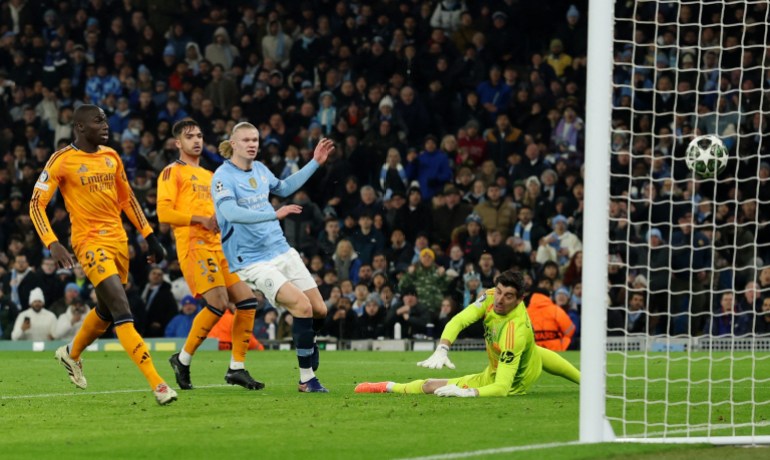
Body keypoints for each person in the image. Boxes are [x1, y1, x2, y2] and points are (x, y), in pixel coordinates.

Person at [29, 104, 177, 405]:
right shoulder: (62, 160)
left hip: (119, 243)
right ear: (80, 127)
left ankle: (71, 354)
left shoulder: (111, 157)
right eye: (98, 121)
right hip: (89, 243)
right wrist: (52, 242)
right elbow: (35, 204)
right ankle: (159, 384)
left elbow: (128, 199)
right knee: (123, 311)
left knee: (108, 311)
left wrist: (149, 235)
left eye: (106, 120)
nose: (106, 126)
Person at [211, 122, 335, 392]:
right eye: (246, 140)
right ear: (233, 144)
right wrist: (273, 213)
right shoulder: (223, 177)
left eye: (255, 139)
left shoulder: (260, 169)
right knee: (301, 307)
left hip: (280, 249)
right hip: (251, 260)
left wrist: (314, 162)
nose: (252, 144)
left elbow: (283, 186)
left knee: (319, 310)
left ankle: (308, 343)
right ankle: (306, 379)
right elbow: (231, 213)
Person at [157, 119, 263, 390]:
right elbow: (164, 214)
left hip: (221, 246)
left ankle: (236, 368)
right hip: (195, 246)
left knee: (247, 302)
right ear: (178, 143)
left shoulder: (210, 175)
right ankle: (183, 359)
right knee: (217, 303)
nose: (197, 141)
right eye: (190, 136)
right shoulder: (172, 172)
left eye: (200, 136)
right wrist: (200, 220)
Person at [355, 270, 581, 397]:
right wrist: (443, 347)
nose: (500, 300)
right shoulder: (491, 296)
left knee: (430, 387)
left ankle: (388, 386)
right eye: (499, 291)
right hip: (497, 368)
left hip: (511, 382)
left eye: (508, 296)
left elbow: (502, 388)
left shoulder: (514, 332)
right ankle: (586, 381)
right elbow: (460, 319)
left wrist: (468, 393)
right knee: (535, 352)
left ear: (521, 299)